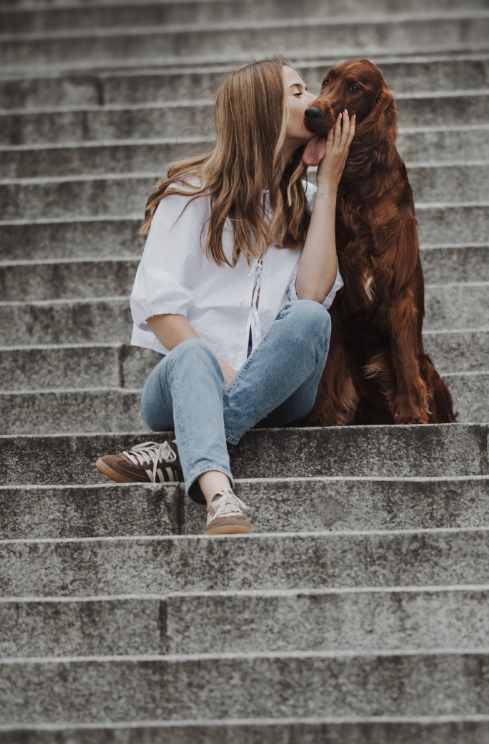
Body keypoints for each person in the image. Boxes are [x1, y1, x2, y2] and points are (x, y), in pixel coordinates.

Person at [94, 55, 356, 535]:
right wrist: (229, 378)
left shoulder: (310, 204)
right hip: (183, 386)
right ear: (260, 111)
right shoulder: (190, 193)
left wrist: (331, 184)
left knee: (309, 319)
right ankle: (220, 499)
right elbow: (160, 309)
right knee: (193, 352)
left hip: (282, 393)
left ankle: (181, 450)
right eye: (297, 92)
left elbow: (313, 293)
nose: (315, 101)